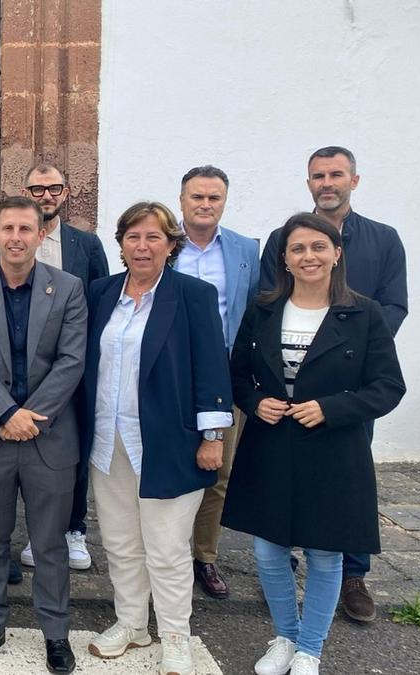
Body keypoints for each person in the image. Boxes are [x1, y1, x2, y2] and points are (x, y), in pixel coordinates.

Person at [223, 213, 405, 675]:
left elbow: (388, 386)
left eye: (318, 247)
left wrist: (331, 409)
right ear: (284, 258)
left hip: (332, 450)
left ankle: (310, 647)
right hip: (270, 445)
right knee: (267, 550)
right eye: (298, 248)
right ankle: (284, 636)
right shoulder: (263, 308)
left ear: (336, 254)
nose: (309, 256)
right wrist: (255, 400)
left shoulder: (365, 313)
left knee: (325, 552)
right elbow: (238, 372)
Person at [259, 146, 408, 623]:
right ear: (308, 184)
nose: (327, 182)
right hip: (286, 394)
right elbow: (268, 303)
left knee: (345, 488)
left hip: (347, 387)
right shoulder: (281, 239)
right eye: (318, 176)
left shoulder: (383, 240)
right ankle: (287, 568)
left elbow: (394, 305)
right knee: (281, 490)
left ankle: (354, 575)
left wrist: (352, 357)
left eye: (336, 174)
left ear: (354, 180)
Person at [84, 202, 232, 675]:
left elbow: (212, 366)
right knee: (121, 541)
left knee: (167, 548)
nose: (142, 246)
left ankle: (175, 636)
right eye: (133, 237)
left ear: (171, 244)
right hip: (109, 439)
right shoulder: (101, 293)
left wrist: (213, 435)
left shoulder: (192, 295)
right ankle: (132, 623)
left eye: (153, 237)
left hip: (169, 441)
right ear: (121, 243)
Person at [0, 196, 87, 673]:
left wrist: (31, 416)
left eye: (25, 229)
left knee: (50, 544)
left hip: (49, 439)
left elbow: (72, 361)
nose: (15, 237)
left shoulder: (68, 288)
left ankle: (55, 632)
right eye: (7, 228)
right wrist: (7, 413)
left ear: (40, 235)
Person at [173, 165, 260, 600]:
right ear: (182, 200)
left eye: (214, 198)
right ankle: (165, 551)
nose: (205, 205)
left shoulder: (246, 250)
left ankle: (204, 556)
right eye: (197, 197)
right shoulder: (164, 245)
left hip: (225, 376)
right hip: (171, 374)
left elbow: (256, 309)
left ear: (224, 202)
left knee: (219, 470)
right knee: (168, 462)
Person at [19, 162, 110, 572]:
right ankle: (34, 530)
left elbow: (102, 301)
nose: (46, 196)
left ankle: (75, 529)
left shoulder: (86, 245)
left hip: (74, 364)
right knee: (22, 453)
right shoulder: (12, 240)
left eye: (53, 188)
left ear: (67, 192)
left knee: (72, 449)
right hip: (25, 364)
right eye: (37, 190)